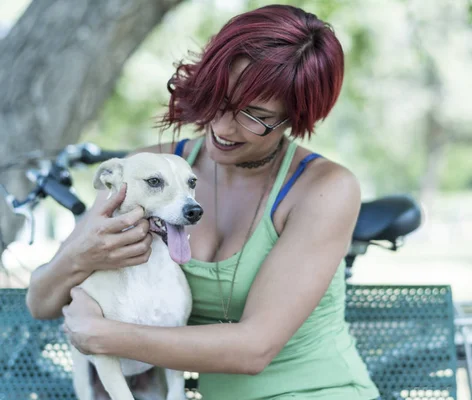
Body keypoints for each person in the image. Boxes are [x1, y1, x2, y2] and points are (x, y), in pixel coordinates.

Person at [26, 4, 380, 400]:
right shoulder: (151, 170)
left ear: (294, 118)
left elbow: (254, 349)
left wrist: (104, 337)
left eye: (256, 116)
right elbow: (41, 302)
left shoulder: (323, 188)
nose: (224, 127)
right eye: (221, 100)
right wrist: (79, 256)